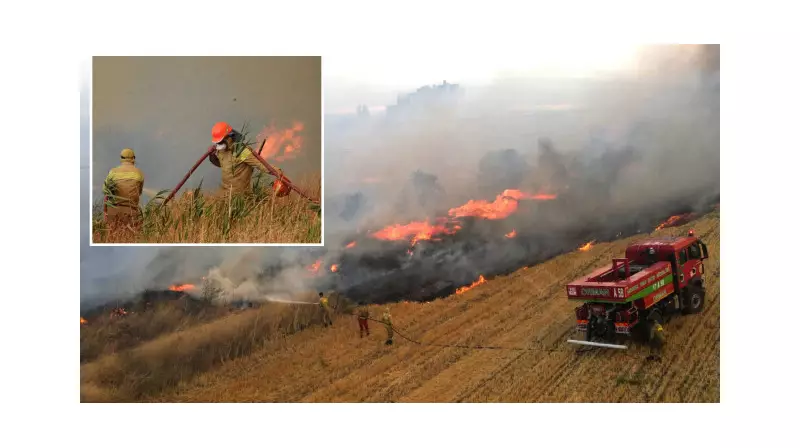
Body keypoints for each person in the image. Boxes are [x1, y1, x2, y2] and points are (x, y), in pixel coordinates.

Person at [208, 121, 274, 197]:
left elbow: (260, 165)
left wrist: (279, 174)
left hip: (239, 197)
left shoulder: (241, 151)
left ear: (229, 137)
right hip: (224, 194)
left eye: (220, 141)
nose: (218, 145)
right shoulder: (222, 150)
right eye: (217, 142)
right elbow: (222, 165)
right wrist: (212, 156)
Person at [104, 148, 144, 231]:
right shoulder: (139, 173)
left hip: (112, 212)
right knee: (129, 239)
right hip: (130, 213)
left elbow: (105, 190)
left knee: (112, 239)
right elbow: (139, 192)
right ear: (133, 158)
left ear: (121, 158)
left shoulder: (113, 172)